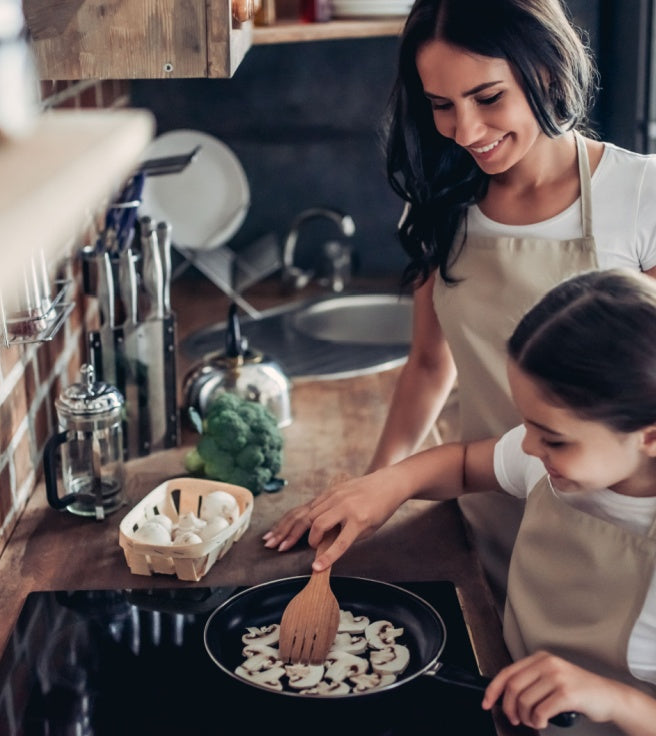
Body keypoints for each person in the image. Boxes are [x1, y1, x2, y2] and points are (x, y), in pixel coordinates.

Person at [264, 0, 656, 608]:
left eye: (487, 97)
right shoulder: (442, 203)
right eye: (441, 105)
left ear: (544, 65)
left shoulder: (643, 194)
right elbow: (427, 364)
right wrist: (374, 493)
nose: (465, 130)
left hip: (611, 550)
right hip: (485, 521)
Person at [269, 269, 656, 736]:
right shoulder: (549, 458)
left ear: (649, 436)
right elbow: (467, 463)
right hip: (508, 701)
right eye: (527, 424)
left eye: (553, 439)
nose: (529, 447)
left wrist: (614, 700)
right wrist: (392, 483)